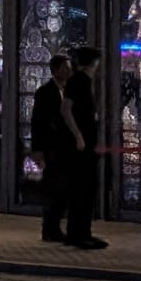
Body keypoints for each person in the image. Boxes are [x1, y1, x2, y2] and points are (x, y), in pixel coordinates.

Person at [28, 54, 81, 242]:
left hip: (66, 149)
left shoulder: (70, 91)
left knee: (64, 189)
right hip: (51, 149)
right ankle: (49, 229)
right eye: (65, 68)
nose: (69, 71)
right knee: (53, 189)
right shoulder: (44, 93)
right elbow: (37, 123)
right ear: (56, 70)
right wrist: (37, 150)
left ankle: (56, 227)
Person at [60, 48, 107, 249]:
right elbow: (66, 109)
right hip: (81, 145)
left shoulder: (83, 82)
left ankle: (79, 232)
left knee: (84, 189)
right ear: (91, 63)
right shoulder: (78, 81)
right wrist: (78, 135)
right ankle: (80, 234)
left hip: (86, 142)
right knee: (83, 189)